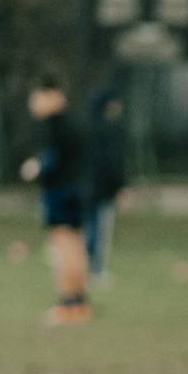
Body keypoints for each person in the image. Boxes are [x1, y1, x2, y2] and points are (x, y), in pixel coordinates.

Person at [19, 76, 90, 325]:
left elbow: (53, 158)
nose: (33, 103)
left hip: (61, 192)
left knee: (62, 245)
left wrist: (36, 167)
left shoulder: (56, 125)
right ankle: (79, 303)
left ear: (53, 96)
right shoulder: (72, 122)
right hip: (76, 190)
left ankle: (67, 303)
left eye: (37, 97)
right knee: (75, 244)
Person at [84, 85, 127, 284]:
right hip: (103, 189)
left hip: (86, 187)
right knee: (101, 230)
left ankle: (85, 267)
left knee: (89, 228)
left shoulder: (87, 128)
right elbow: (113, 162)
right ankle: (96, 270)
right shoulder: (110, 129)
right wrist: (120, 186)